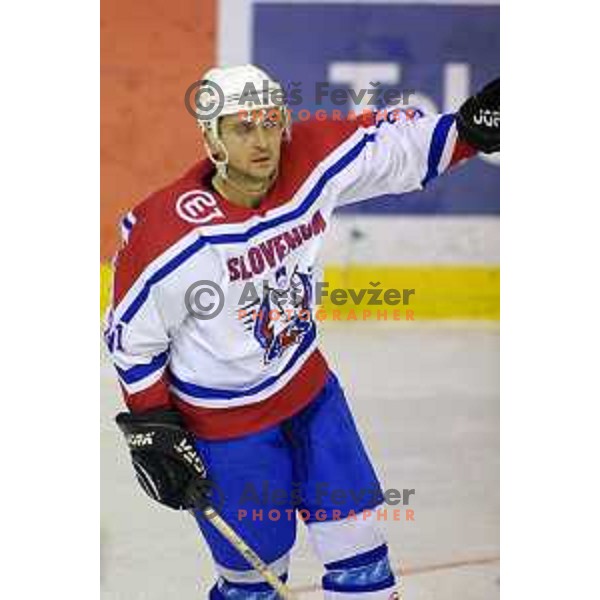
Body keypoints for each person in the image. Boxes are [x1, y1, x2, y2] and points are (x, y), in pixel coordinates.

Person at [104, 64, 499, 599]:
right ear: (212, 138)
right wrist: (155, 427)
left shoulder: (308, 160)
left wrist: (469, 130)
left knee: (362, 557)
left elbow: (388, 148)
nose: (263, 141)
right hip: (226, 430)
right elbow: (133, 341)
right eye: (243, 128)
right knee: (253, 584)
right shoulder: (169, 236)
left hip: (313, 401)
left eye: (270, 123)